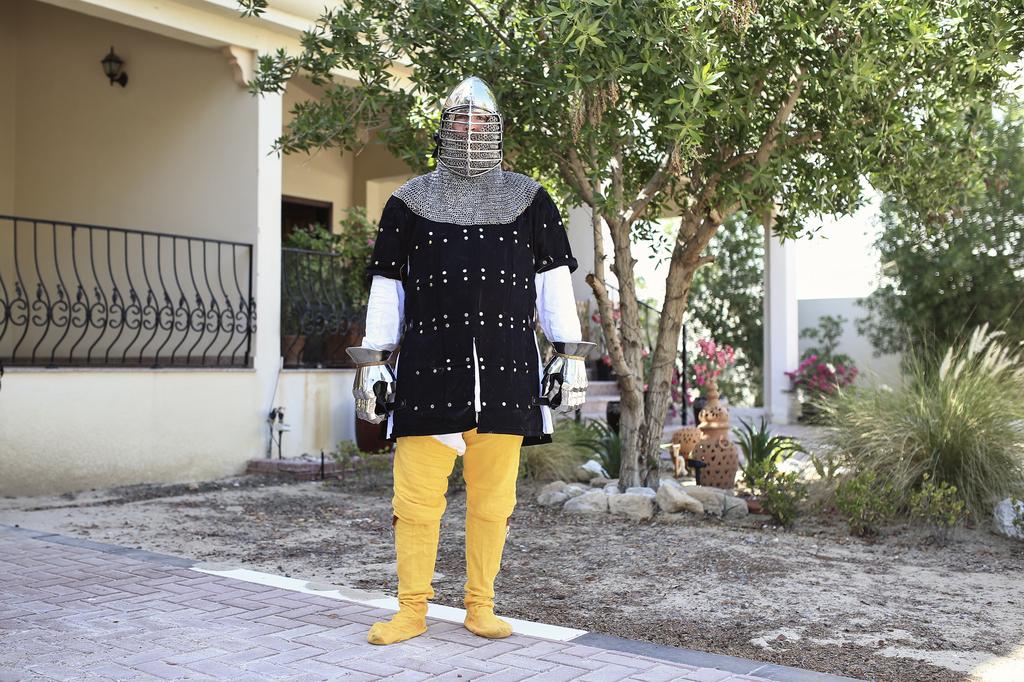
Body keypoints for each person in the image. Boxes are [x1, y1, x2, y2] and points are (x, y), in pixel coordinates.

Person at [346, 75, 594, 646]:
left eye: (480, 120)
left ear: (495, 129)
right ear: (445, 127)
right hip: (430, 372)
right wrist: (374, 361)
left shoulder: (530, 200)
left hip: (508, 373)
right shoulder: (408, 203)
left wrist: (568, 354)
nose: (469, 128)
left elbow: (555, 286)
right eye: (460, 119)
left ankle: (480, 605)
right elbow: (387, 290)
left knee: (493, 502)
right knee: (413, 502)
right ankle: (412, 610)